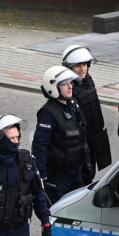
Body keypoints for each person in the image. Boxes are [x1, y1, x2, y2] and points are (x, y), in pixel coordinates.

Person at [32, 65, 89, 204]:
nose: (70, 87)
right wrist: (43, 177)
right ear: (53, 87)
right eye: (65, 84)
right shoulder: (48, 113)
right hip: (59, 177)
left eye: (71, 83)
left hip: (76, 172)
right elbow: (40, 147)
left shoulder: (72, 104)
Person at [62, 45, 111, 184]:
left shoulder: (88, 81)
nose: (82, 69)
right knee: (83, 176)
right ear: (70, 67)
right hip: (81, 143)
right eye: (78, 65)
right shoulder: (67, 88)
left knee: (91, 172)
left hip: (94, 138)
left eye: (84, 64)